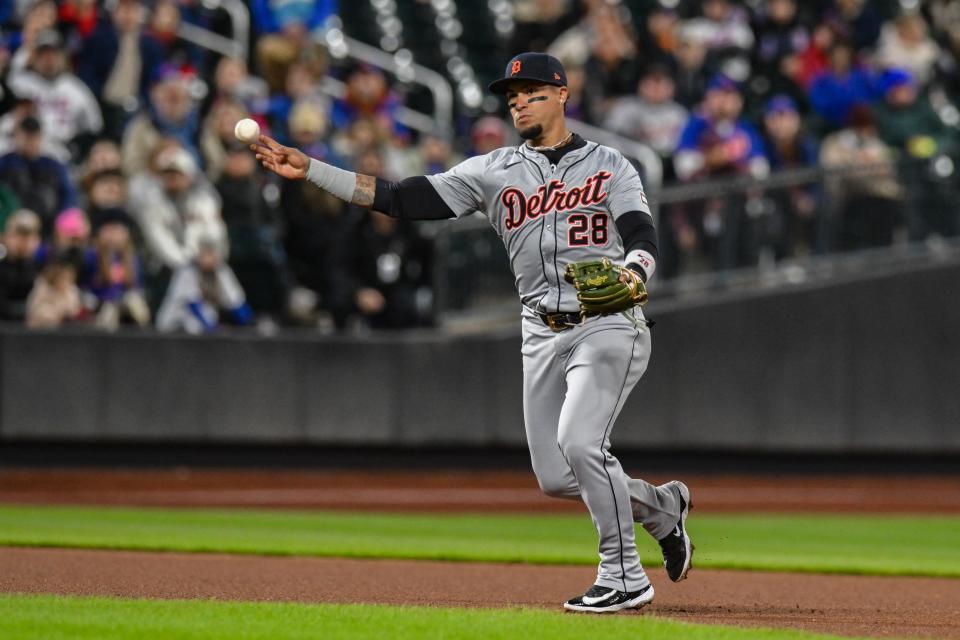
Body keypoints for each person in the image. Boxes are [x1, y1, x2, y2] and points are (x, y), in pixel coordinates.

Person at [252, 52, 693, 613]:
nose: (518, 101)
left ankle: (624, 573)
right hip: (540, 330)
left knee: (582, 443)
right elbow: (399, 197)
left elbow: (642, 234)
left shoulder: (612, 165)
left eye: (531, 91)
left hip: (607, 320)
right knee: (557, 476)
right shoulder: (492, 170)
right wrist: (312, 168)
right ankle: (661, 509)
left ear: (562, 94)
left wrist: (634, 271)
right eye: (511, 96)